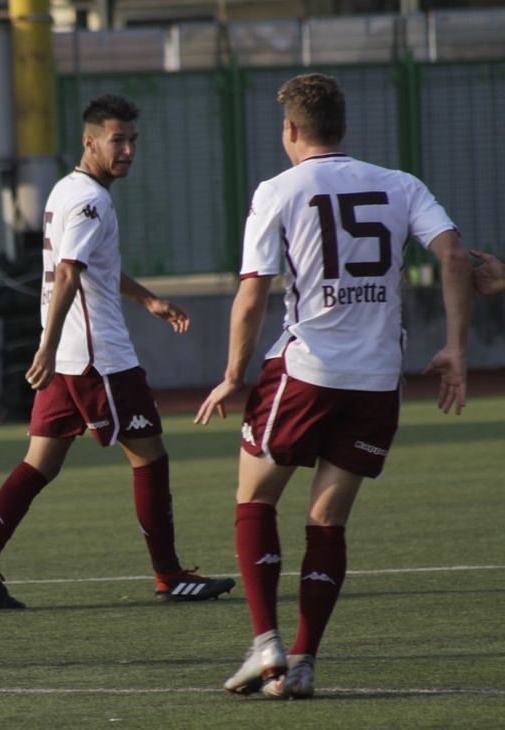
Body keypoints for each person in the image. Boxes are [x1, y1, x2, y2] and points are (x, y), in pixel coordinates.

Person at [194, 73, 472, 699]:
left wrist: (235, 376)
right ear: (344, 128)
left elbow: (251, 294)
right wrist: (455, 348)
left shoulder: (278, 190)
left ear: (290, 130)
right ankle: (305, 661)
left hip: (307, 372)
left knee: (255, 500)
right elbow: (455, 257)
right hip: (377, 381)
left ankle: (265, 643)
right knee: (327, 521)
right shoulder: (400, 185)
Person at [0, 94, 236, 611]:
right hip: (97, 358)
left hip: (71, 356)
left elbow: (91, 267)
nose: (128, 150)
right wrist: (44, 346)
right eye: (118, 140)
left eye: (133, 140)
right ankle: (169, 574)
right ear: (90, 142)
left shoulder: (68, 190)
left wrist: (148, 298)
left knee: (39, 463)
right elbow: (68, 273)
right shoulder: (92, 200)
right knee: (150, 457)